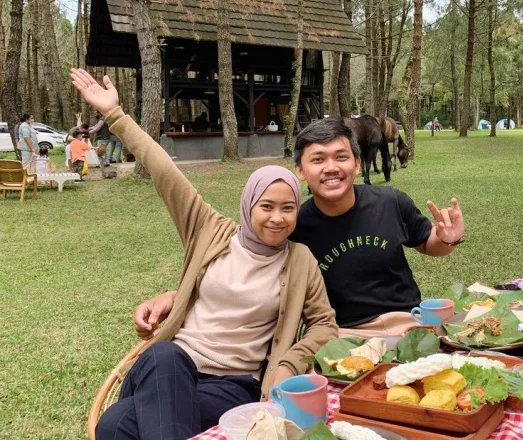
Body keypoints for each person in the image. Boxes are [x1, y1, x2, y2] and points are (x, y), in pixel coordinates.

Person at [70, 68, 337, 440]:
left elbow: (325, 323)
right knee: (166, 356)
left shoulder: (300, 260)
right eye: (267, 206)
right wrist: (115, 115)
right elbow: (165, 172)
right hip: (169, 367)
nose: (277, 218)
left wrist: (290, 363)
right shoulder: (209, 230)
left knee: (116, 425)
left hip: (231, 386)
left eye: (288, 208)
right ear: (248, 205)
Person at [138, 118, 464, 340]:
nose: (331, 168)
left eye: (341, 157)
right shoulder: (292, 226)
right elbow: (239, 268)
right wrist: (177, 295)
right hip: (341, 336)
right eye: (318, 159)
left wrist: (447, 239)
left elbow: (427, 244)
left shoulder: (391, 201)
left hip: (409, 323)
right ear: (300, 170)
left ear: (358, 163)